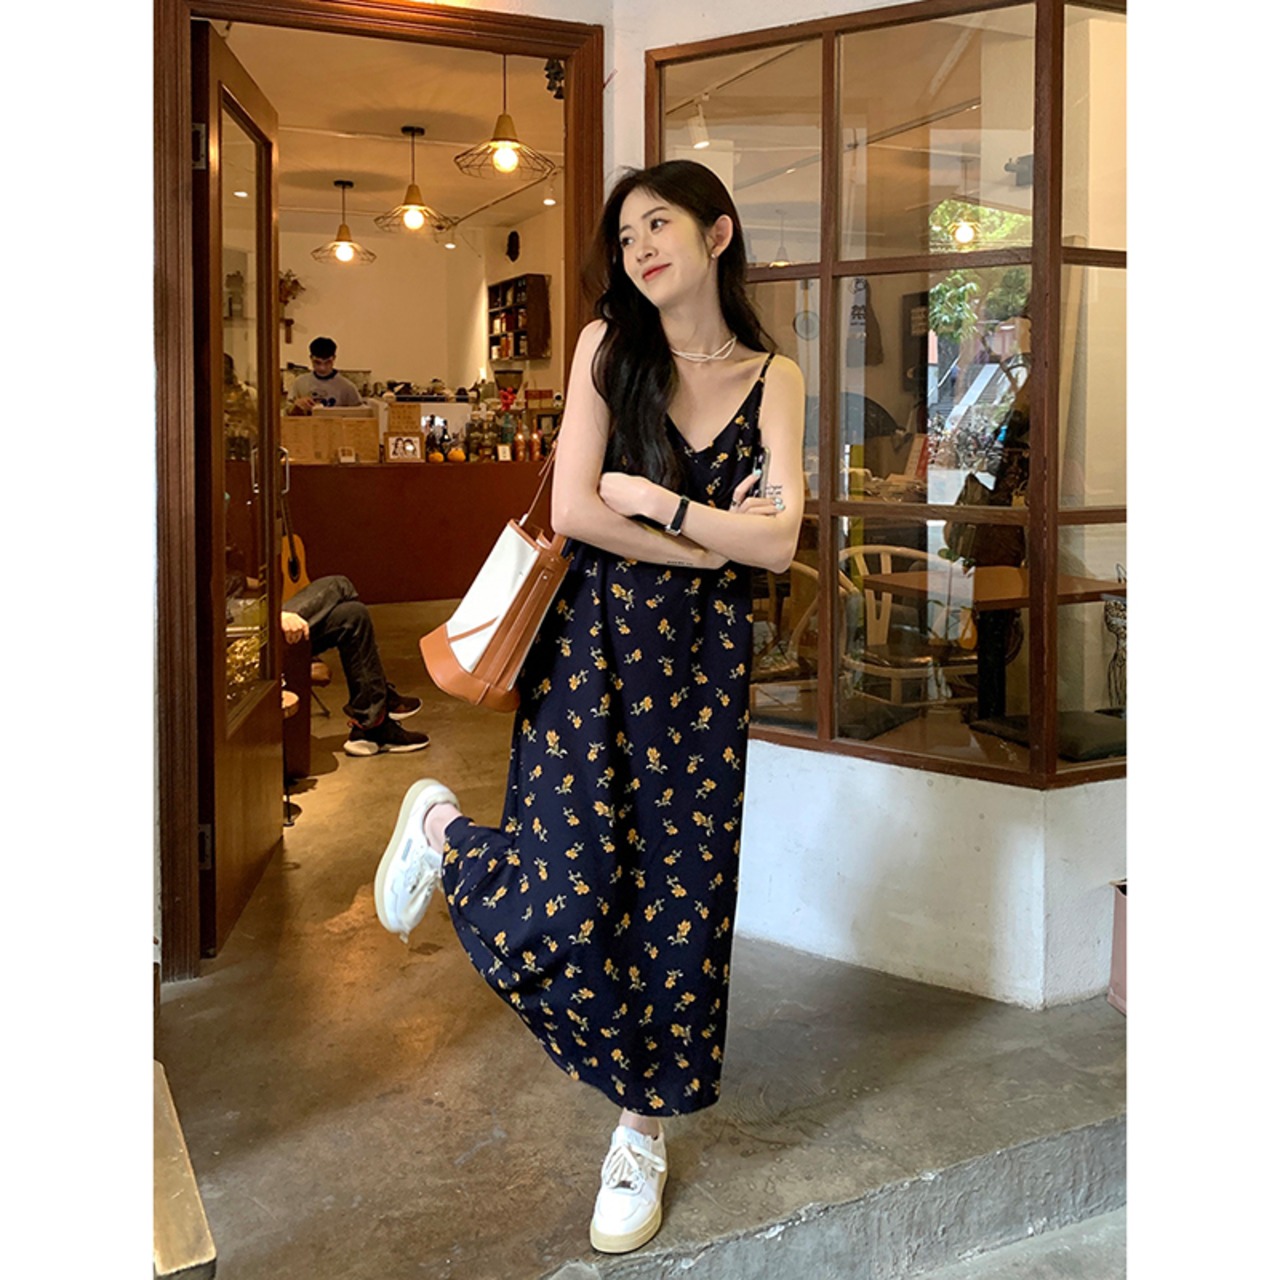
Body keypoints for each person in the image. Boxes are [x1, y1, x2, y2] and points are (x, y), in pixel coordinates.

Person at [371, 161, 804, 1253]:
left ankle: (637, 1133)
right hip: (592, 657)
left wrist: (658, 501)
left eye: (658, 224)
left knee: (678, 910)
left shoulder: (775, 378)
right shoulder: (609, 349)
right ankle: (442, 829)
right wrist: (710, 539)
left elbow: (781, 541)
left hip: (700, 679)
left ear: (718, 233)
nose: (639, 247)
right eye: (624, 236)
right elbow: (573, 507)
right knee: (564, 902)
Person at [281, 575, 429, 757]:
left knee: (353, 615)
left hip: (263, 624)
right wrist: (280, 616)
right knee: (340, 584)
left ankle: (371, 724)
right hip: (259, 639)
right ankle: (381, 704)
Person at [287, 336, 364, 413]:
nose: (322, 368)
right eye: (317, 362)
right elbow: (287, 412)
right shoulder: (299, 383)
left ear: (334, 358)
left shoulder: (347, 387)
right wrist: (296, 406)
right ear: (311, 358)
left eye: (327, 362)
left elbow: (360, 414)